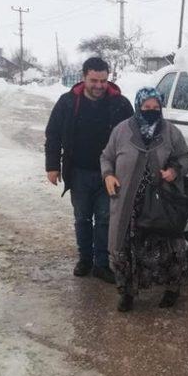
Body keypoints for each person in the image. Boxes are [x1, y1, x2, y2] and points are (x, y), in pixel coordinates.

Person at [100, 87, 188, 311]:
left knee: (168, 248)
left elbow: (186, 157)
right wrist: (108, 175)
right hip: (129, 204)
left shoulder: (170, 131)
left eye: (155, 108)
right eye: (146, 107)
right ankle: (128, 294)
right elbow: (106, 157)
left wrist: (173, 171)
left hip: (162, 203)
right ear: (137, 106)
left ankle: (172, 290)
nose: (151, 111)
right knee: (127, 248)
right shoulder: (122, 131)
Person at [44, 56, 134, 282]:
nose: (99, 86)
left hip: (110, 174)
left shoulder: (120, 104)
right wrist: (52, 166)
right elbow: (53, 134)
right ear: (83, 78)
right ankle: (85, 259)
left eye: (103, 80)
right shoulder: (67, 102)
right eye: (94, 80)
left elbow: (133, 136)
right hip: (79, 171)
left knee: (105, 219)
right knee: (82, 218)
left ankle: (102, 264)